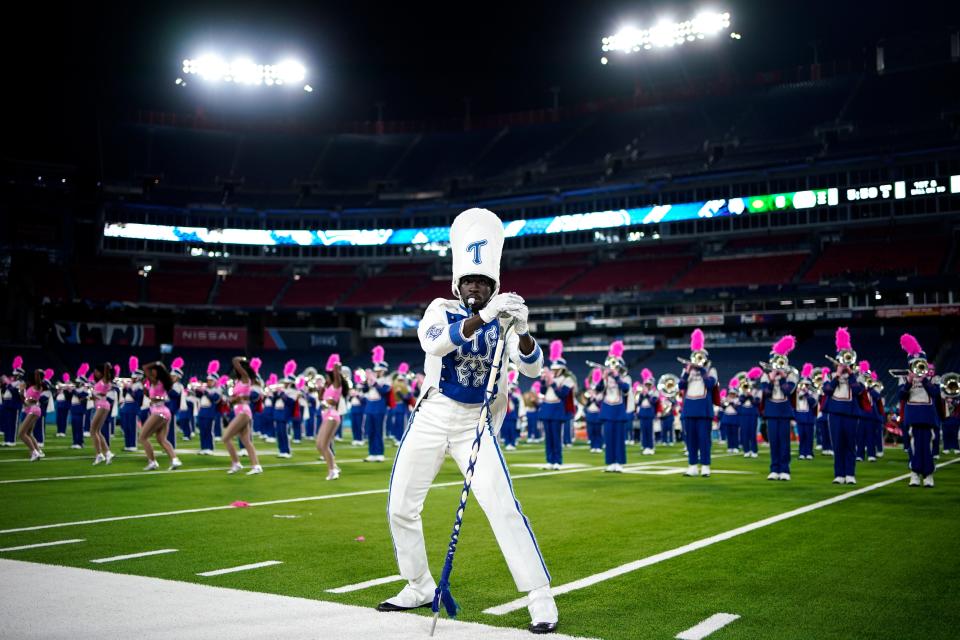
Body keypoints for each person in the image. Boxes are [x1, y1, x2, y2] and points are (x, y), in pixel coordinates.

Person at [378, 207, 557, 634]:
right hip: (433, 414)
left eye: (483, 283)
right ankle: (419, 585)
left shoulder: (505, 316)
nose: (475, 288)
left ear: (493, 284)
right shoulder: (439, 309)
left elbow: (532, 368)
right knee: (401, 505)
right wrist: (486, 317)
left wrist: (525, 330)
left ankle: (539, 596)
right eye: (469, 282)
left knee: (503, 508)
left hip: (475, 423)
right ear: (457, 284)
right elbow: (436, 344)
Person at [821, 328, 864, 485]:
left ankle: (850, 474)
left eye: (847, 359)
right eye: (842, 359)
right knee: (837, 445)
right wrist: (838, 376)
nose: (845, 362)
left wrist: (850, 374)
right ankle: (839, 474)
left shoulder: (858, 375)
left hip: (851, 413)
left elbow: (858, 390)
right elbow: (826, 390)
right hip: (835, 413)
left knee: (850, 444)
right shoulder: (830, 375)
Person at [898, 334, 940, 487]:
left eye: (919, 363)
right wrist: (909, 382)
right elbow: (901, 396)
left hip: (928, 416)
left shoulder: (932, 378)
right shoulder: (904, 378)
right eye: (913, 363)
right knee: (913, 446)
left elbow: (935, 394)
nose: (917, 366)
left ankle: (928, 475)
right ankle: (914, 474)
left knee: (928, 446)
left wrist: (924, 380)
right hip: (913, 416)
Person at [679, 328, 719, 477]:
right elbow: (680, 386)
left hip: (703, 410)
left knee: (704, 440)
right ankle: (692, 465)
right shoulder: (687, 372)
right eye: (696, 357)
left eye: (700, 357)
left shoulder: (711, 370)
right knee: (691, 440)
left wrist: (702, 370)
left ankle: (706, 466)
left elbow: (710, 384)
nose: (697, 360)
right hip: (689, 409)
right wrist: (687, 372)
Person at [761, 336, 798, 481]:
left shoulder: (792, 374)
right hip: (771, 412)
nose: (777, 363)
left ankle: (785, 470)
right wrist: (771, 379)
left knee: (784, 442)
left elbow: (788, 391)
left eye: (780, 360)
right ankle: (774, 469)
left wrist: (782, 377)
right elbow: (767, 393)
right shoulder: (765, 376)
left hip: (784, 412)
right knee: (774, 442)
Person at [223, 357, 263, 475]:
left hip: (243, 412)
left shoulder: (246, 379)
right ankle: (256, 466)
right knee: (246, 441)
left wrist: (240, 359)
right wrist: (232, 399)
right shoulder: (238, 382)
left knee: (225, 437)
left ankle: (236, 463)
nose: (236, 370)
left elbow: (235, 362)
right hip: (239, 410)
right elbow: (235, 398)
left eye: (238, 369)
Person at [139, 362, 182, 471]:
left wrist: (156, 363)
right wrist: (145, 388)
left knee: (143, 437)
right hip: (164, 412)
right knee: (161, 439)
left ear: (157, 371)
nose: (151, 372)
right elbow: (150, 395)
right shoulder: (161, 382)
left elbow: (144, 367)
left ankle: (152, 462)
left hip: (159, 411)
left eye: (154, 370)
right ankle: (175, 460)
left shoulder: (156, 381)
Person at [595, 340, 630, 473]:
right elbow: (598, 389)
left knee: (619, 438)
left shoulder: (625, 378)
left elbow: (625, 389)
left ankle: (619, 463)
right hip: (608, 409)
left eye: (615, 365)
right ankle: (610, 462)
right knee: (609, 438)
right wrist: (603, 378)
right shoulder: (606, 378)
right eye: (612, 364)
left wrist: (616, 377)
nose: (613, 367)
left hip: (619, 409)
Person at [540, 340, 573, 470]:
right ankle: (549, 460)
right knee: (548, 438)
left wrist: (552, 382)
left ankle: (558, 461)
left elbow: (562, 394)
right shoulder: (550, 379)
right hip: (547, 408)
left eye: (556, 369)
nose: (554, 371)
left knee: (556, 437)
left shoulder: (567, 379)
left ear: (562, 369)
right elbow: (542, 392)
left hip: (558, 410)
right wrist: (544, 381)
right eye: (553, 369)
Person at [316, 354, 348, 480]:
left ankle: (332, 470)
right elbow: (320, 398)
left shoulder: (336, 386)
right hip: (326, 416)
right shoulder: (328, 387)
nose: (325, 378)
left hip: (332, 416)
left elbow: (336, 376)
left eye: (326, 377)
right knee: (319, 445)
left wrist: (335, 367)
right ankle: (334, 466)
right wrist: (321, 388)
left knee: (324, 445)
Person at [88, 362, 117, 465]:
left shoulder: (105, 380)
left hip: (102, 405)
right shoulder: (100, 382)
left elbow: (107, 373)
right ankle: (108, 453)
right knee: (97, 431)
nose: (95, 373)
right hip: (102, 405)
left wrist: (106, 367)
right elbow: (95, 396)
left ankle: (99, 455)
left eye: (96, 371)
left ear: (102, 372)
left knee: (92, 430)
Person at [17, 369, 46, 460]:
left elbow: (38, 380)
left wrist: (37, 372)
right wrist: (21, 393)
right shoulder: (30, 388)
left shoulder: (39, 387)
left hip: (33, 410)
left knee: (21, 434)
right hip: (31, 410)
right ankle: (38, 451)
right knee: (28, 433)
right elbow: (25, 403)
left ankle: (34, 452)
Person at [795, 364, 817, 460]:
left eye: (806, 384)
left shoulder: (813, 392)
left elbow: (813, 403)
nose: (804, 386)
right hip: (800, 416)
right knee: (802, 436)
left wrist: (807, 394)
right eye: (803, 384)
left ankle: (809, 452)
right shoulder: (796, 392)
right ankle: (802, 452)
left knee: (809, 436)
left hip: (809, 417)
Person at [636, 369, 657, 454]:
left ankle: (651, 447)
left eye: (649, 385)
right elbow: (639, 402)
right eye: (646, 384)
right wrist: (642, 394)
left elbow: (653, 402)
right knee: (643, 430)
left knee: (649, 430)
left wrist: (647, 395)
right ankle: (645, 446)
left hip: (649, 412)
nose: (647, 386)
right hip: (643, 412)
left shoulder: (654, 392)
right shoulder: (641, 393)